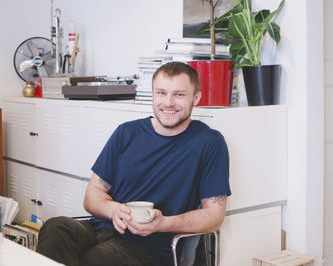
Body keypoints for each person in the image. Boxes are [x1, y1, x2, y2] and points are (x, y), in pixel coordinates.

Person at [36, 61, 231, 266]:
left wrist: (163, 223)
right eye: (161, 93)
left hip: (149, 247)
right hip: (103, 229)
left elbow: (214, 216)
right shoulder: (127, 132)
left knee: (96, 259)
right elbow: (92, 195)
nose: (168, 102)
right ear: (153, 95)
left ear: (196, 98)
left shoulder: (209, 142)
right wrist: (113, 210)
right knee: (55, 228)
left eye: (179, 95)